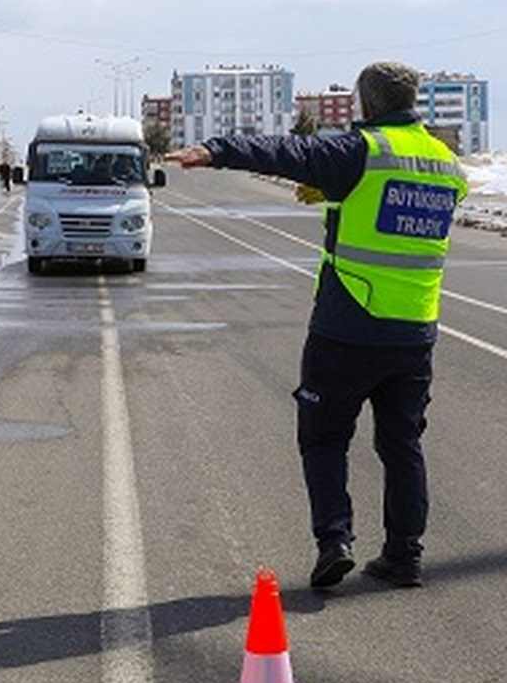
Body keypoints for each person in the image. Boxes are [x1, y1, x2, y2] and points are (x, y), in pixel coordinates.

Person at [167, 61, 469, 590]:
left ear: (366, 103)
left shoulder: (362, 150)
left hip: (348, 322)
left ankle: (335, 542)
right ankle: (404, 556)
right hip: (415, 329)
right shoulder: (448, 165)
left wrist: (217, 150)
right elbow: (393, 209)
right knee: (402, 446)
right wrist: (335, 191)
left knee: (324, 438)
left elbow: (288, 152)